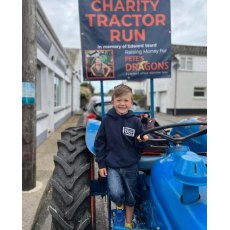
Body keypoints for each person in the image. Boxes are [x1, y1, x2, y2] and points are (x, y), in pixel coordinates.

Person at [94, 84, 148, 229]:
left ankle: (128, 223)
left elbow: (140, 146)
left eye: (126, 100)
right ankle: (118, 208)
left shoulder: (136, 121)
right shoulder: (107, 120)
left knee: (130, 196)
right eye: (119, 100)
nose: (122, 104)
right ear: (113, 102)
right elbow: (99, 143)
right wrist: (101, 164)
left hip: (131, 165)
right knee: (116, 193)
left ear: (131, 103)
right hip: (113, 166)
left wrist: (142, 141)